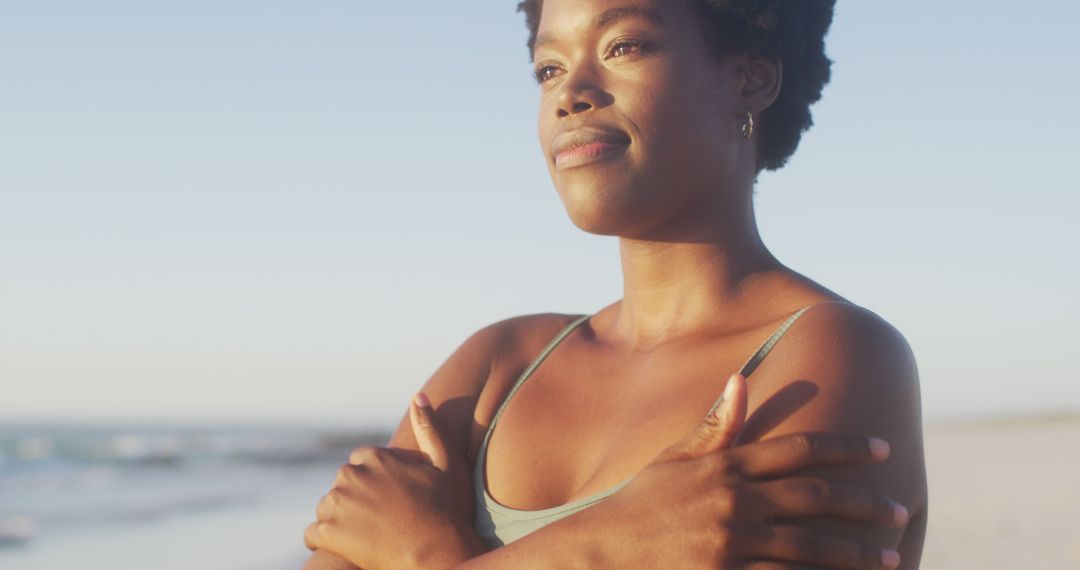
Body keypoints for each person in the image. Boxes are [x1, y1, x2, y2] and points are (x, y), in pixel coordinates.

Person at [303, 0, 927, 567]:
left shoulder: (835, 354)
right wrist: (609, 544)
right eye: (547, 69)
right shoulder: (496, 365)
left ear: (750, 77)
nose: (569, 94)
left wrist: (424, 554)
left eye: (624, 46)